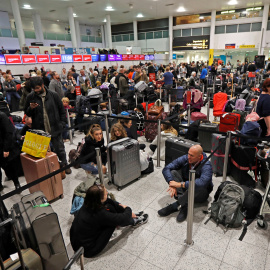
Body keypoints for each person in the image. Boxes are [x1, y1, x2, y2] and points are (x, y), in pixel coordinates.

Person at [70, 184, 148, 258]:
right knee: (112, 223)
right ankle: (135, 221)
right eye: (105, 193)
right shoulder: (100, 214)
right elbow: (124, 219)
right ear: (99, 199)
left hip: (76, 242)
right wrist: (128, 209)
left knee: (109, 206)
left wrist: (124, 210)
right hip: (87, 250)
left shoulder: (89, 202)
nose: (107, 192)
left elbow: (109, 201)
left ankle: (131, 215)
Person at [24, 77, 71, 174]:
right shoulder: (30, 97)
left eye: (37, 88)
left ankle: (64, 165)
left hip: (55, 128)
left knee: (60, 149)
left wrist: (62, 124)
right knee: (41, 152)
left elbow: (62, 111)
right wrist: (30, 108)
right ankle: (45, 169)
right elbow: (26, 112)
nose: (36, 91)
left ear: (42, 85)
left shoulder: (53, 95)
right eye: (34, 89)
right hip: (39, 129)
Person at [158, 145, 213, 222]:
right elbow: (166, 168)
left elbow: (202, 183)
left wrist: (180, 185)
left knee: (197, 185)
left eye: (192, 155)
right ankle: (185, 205)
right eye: (188, 154)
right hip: (187, 188)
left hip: (201, 194)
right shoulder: (186, 158)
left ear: (199, 156)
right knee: (172, 172)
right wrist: (171, 183)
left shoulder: (207, 165)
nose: (188, 157)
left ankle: (176, 205)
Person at [0, 111, 21, 191]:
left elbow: (9, 132)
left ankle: (16, 183)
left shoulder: (2, 116)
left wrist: (6, 149)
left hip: (4, 146)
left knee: (9, 166)